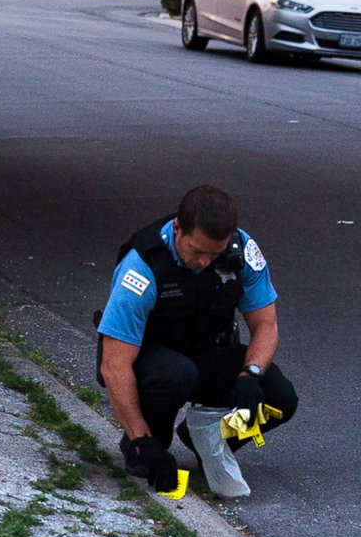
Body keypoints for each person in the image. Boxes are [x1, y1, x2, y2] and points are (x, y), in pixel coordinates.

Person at [95, 184, 298, 498]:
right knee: (175, 374)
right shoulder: (143, 266)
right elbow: (114, 366)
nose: (205, 262)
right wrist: (142, 442)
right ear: (178, 229)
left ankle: (207, 438)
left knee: (279, 398)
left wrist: (251, 375)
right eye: (197, 251)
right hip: (154, 363)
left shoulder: (241, 251)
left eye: (213, 254)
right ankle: (147, 444)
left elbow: (266, 325)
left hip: (208, 352)